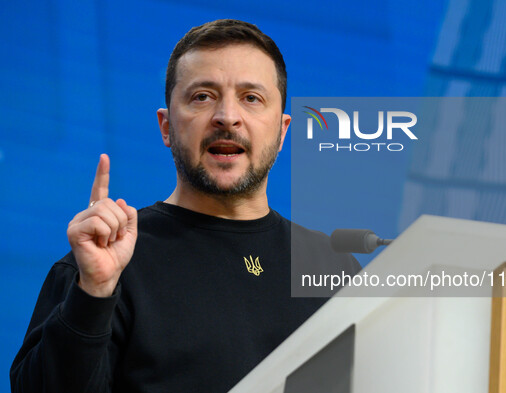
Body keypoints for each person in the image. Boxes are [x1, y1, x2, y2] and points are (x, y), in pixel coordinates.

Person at [10, 19, 360, 393]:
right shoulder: (104, 265)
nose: (227, 116)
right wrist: (94, 292)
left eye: (251, 98)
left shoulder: (335, 266)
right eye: (202, 96)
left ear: (282, 131)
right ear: (166, 127)